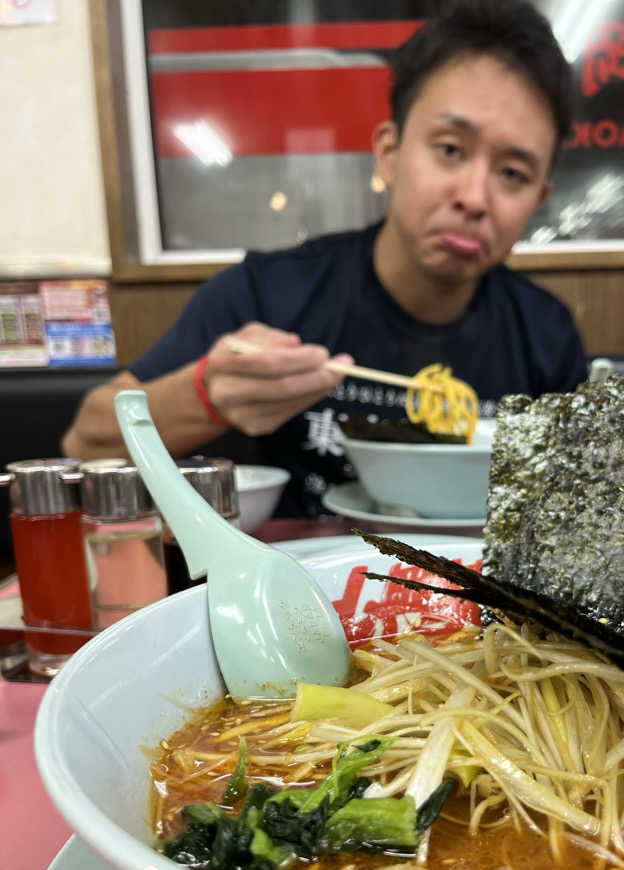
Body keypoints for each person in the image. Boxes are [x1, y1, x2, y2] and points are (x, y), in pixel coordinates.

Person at [62, 0, 587, 517]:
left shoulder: (545, 333)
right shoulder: (269, 294)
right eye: (450, 149)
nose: (474, 197)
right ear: (389, 152)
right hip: (301, 587)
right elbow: (87, 440)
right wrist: (207, 393)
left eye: (513, 174)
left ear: (538, 200)